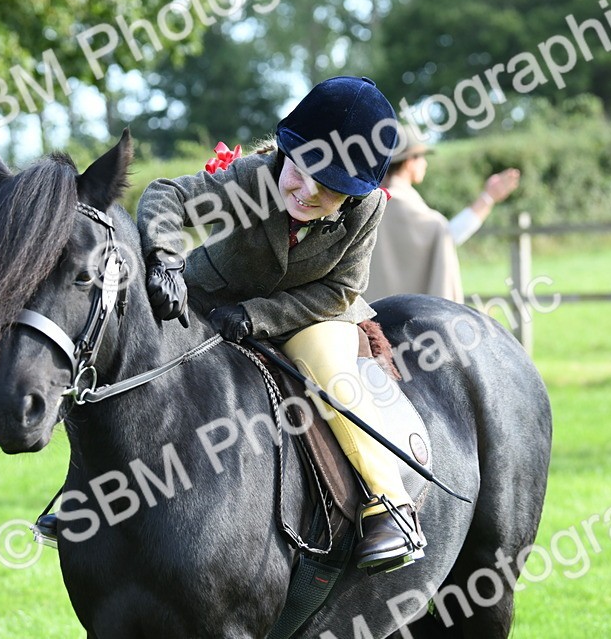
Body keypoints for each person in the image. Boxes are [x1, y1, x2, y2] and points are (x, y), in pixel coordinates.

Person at [137, 76, 424, 573]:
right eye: (304, 171)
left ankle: (392, 507)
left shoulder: (368, 208)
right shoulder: (251, 178)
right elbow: (165, 197)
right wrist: (164, 261)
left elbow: (339, 290)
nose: (308, 192)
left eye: (331, 187)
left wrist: (256, 316)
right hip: (215, 300)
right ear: (286, 153)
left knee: (327, 368)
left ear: (355, 193)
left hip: (311, 313)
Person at [365, 120, 520, 303]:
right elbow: (446, 233)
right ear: (409, 161)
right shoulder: (404, 205)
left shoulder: (368, 202)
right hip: (407, 323)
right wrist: (488, 198)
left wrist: (488, 197)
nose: (425, 163)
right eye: (421, 156)